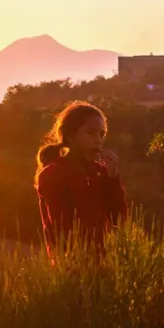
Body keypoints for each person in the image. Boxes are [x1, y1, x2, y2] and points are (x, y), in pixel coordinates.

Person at [34, 101, 128, 260]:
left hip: (106, 264)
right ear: (70, 136)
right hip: (72, 266)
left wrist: (113, 179)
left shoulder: (101, 172)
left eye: (101, 134)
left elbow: (119, 220)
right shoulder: (53, 174)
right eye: (90, 133)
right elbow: (61, 228)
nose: (98, 140)